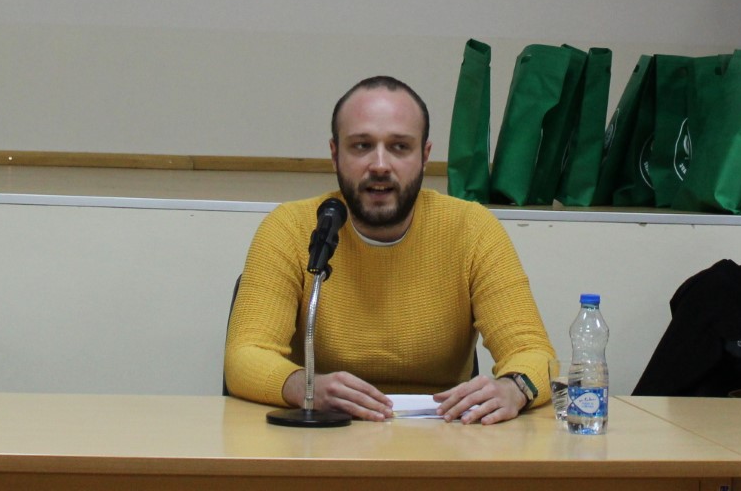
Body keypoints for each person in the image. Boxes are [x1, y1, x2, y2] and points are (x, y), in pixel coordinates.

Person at [223, 75, 554, 423]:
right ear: (335, 155)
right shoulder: (291, 227)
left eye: (399, 147)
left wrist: (514, 388)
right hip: (324, 431)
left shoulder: (471, 229)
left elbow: (533, 352)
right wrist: (304, 387)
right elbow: (245, 355)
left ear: (424, 156)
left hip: (443, 435)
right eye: (361, 146)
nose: (380, 165)